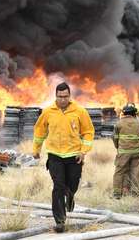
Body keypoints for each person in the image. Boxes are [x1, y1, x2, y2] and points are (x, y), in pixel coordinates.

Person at [33, 82, 95, 233]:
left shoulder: (79, 111)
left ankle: (71, 195)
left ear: (69, 96)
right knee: (58, 187)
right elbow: (39, 131)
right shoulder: (48, 112)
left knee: (72, 184)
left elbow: (88, 132)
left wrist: (83, 151)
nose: (62, 99)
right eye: (60, 97)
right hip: (55, 156)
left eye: (65, 96)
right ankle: (60, 221)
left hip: (74, 156)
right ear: (56, 96)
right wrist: (36, 149)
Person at [112, 103, 139, 198]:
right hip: (137, 152)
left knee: (119, 172)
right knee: (135, 172)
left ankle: (117, 194)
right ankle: (135, 193)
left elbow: (115, 138)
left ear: (124, 113)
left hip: (123, 153)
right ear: (134, 113)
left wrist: (118, 147)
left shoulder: (119, 123)